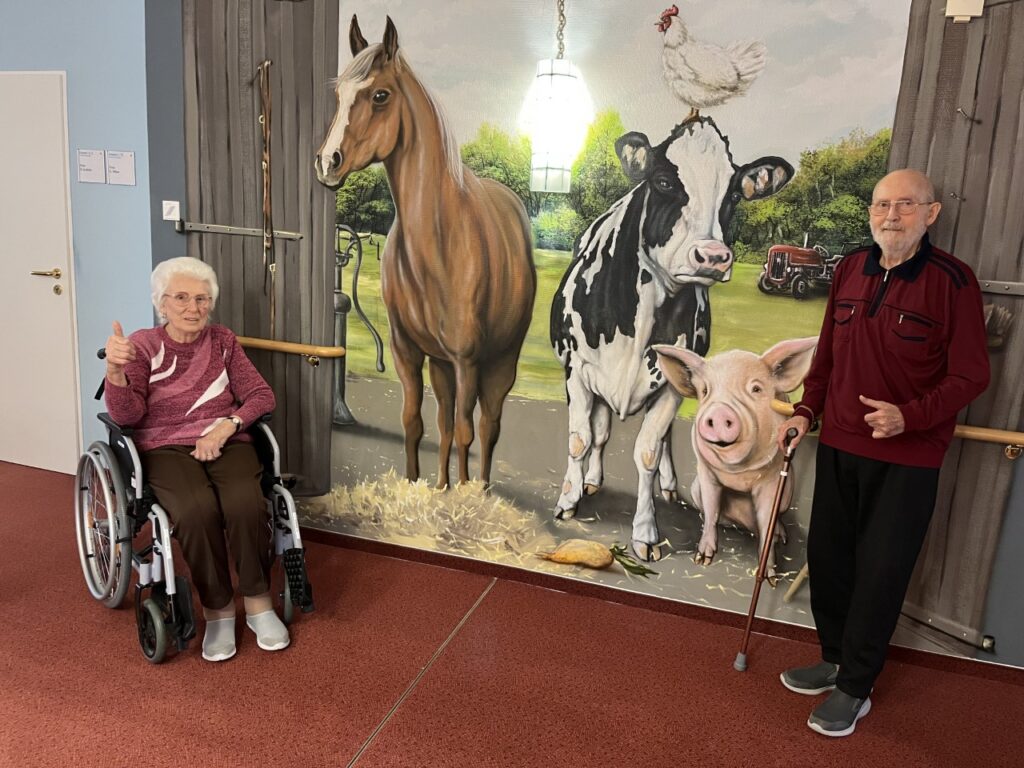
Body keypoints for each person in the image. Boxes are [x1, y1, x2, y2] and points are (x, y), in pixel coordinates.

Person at [776, 169, 990, 737]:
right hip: (840, 444)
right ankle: (833, 656)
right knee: (829, 557)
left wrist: (910, 416)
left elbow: (972, 374)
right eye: (881, 205)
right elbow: (828, 358)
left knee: (880, 571)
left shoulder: (954, 281)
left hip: (909, 456)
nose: (890, 215)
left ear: (931, 213)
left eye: (904, 205)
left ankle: (856, 687)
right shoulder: (849, 268)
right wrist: (805, 411)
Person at [103, 256, 289, 662]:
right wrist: (115, 374)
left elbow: (261, 395)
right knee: (195, 509)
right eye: (182, 298)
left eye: (202, 299)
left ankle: (258, 604)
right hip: (165, 446)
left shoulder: (222, 341)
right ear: (162, 303)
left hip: (225, 439)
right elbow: (127, 416)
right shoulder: (144, 345)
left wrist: (226, 426)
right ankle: (219, 610)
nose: (194, 308)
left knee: (245, 501)